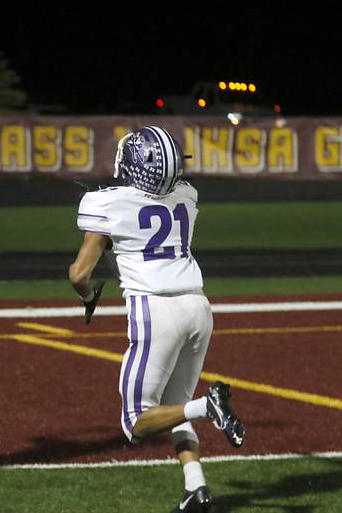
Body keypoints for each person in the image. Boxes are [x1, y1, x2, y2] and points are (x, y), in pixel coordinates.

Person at [68, 126, 245, 513]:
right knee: (173, 404)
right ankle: (196, 489)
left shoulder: (107, 204)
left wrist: (88, 297)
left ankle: (208, 407)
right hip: (198, 307)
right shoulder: (187, 195)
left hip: (155, 310)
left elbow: (80, 274)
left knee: (136, 421)